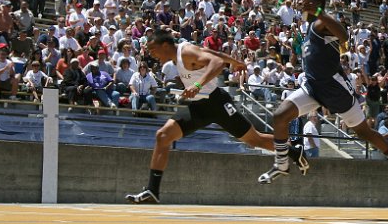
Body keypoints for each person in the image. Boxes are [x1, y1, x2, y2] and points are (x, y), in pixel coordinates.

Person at [125, 28, 307, 204]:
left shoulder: (186, 52)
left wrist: (197, 85)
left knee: (254, 140)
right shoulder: (182, 54)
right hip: (197, 107)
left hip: (217, 103)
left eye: (152, 49)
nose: (151, 54)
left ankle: (293, 150)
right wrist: (234, 61)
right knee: (163, 136)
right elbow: (209, 52)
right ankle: (152, 190)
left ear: (165, 45)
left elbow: (216, 63)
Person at [258, 0, 388, 190]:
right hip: (313, 88)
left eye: (309, 3)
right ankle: (282, 163)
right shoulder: (309, 28)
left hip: (335, 89)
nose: (304, 4)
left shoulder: (321, 23)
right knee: (280, 116)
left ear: (318, 5)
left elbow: (344, 35)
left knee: (365, 133)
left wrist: (320, 12)